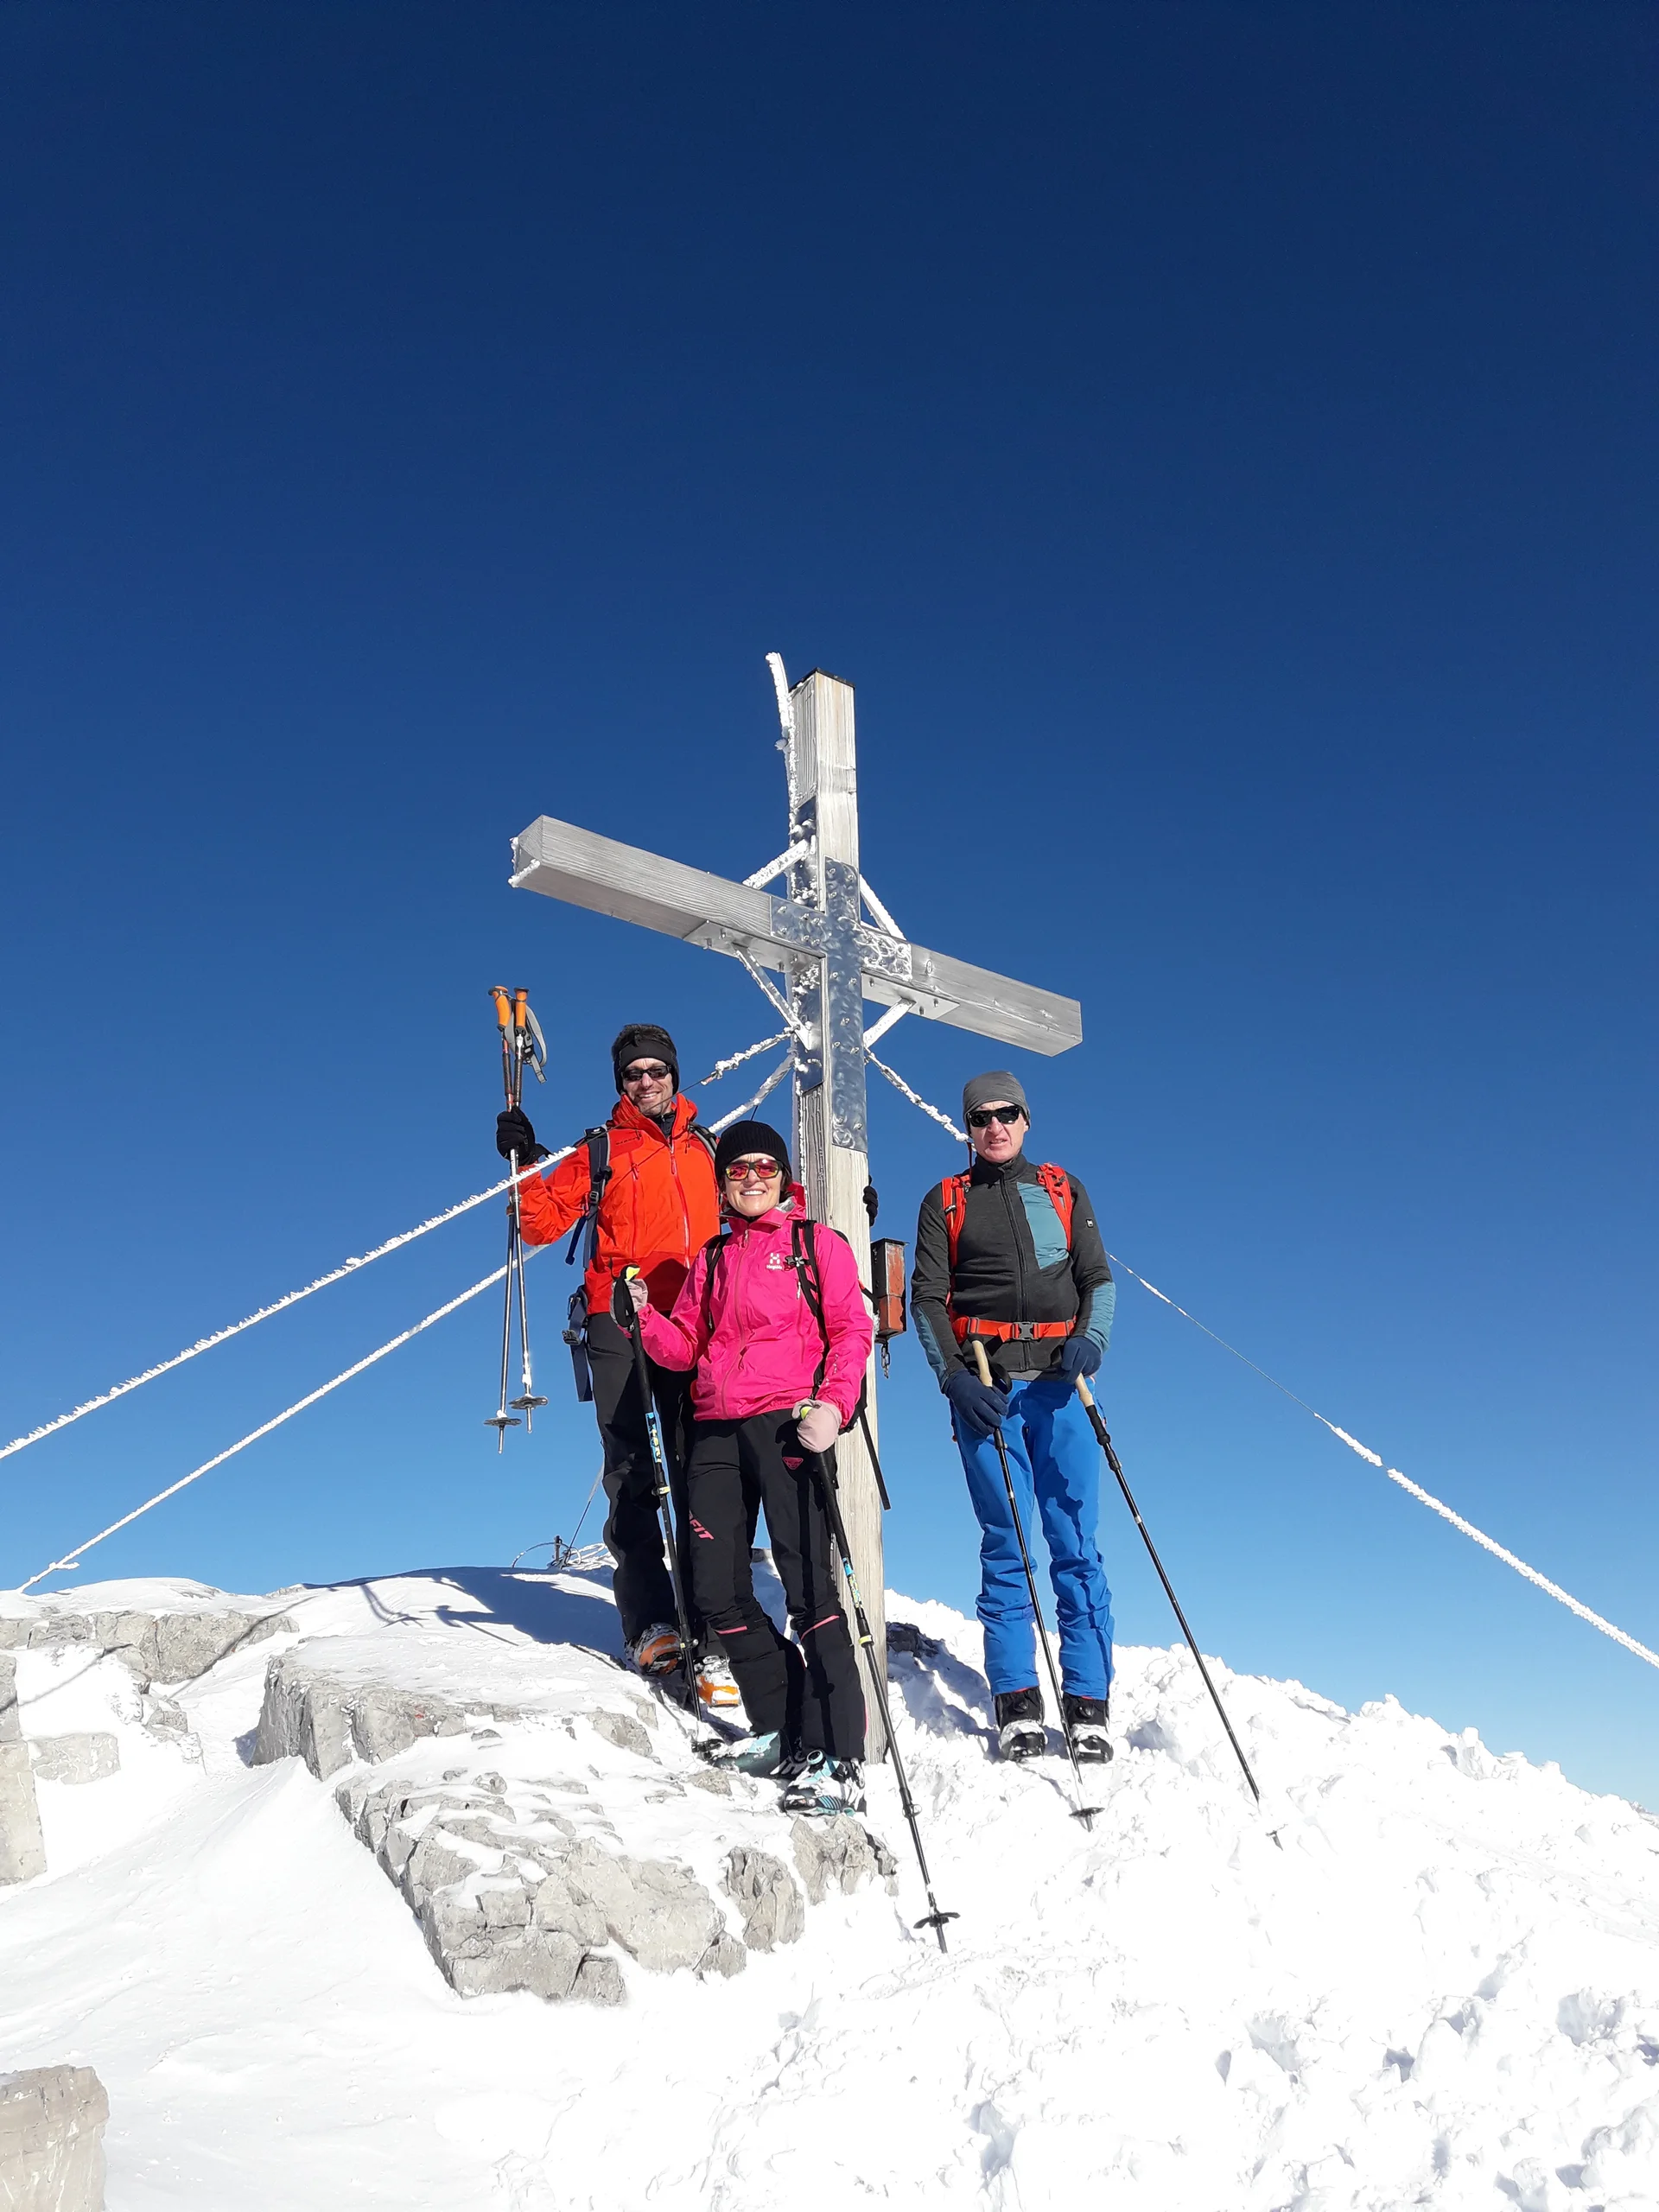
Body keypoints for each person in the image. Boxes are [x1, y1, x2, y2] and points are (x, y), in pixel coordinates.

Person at [620, 1120, 874, 1816]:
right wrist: (642, 1318)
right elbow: (686, 1346)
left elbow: (851, 1330)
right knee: (716, 1591)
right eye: (738, 1169)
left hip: (791, 1423)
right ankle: (778, 1724)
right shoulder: (713, 1256)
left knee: (808, 1590)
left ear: (783, 1174)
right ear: (725, 1182)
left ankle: (836, 1752)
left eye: (764, 1166)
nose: (752, 1177)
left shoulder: (815, 1245)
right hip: (715, 1430)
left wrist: (834, 1406)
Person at [497, 1022, 730, 1700]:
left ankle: (715, 1622)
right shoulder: (601, 1149)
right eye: (634, 1073)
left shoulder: (710, 1148)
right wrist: (526, 1162)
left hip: (696, 1321)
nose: (647, 1081)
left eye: (658, 1069)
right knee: (632, 1467)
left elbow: (764, 1205)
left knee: (705, 1471)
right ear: (621, 1083)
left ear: (675, 1074)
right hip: (618, 1320)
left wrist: (843, 1217)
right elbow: (540, 1222)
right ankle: (651, 1622)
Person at [910, 1071, 1116, 1764]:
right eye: (980, 1118)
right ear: (966, 1128)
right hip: (988, 1388)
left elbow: (1098, 1282)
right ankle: (1017, 1698)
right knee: (1007, 1545)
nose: (994, 1127)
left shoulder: (1062, 1190)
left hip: (1063, 1389)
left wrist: (1092, 1343)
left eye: (1006, 1114)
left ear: (1026, 1120)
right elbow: (927, 1300)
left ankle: (1088, 1699)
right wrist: (954, 1382)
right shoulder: (946, 1201)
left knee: (1076, 1544)